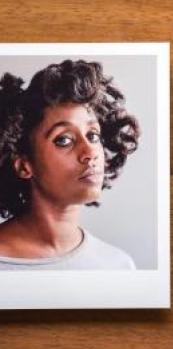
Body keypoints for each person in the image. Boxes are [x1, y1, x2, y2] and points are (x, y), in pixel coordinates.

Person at [0, 59, 140, 270]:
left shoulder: (118, 266)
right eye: (64, 140)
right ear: (24, 166)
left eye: (93, 135)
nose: (90, 152)